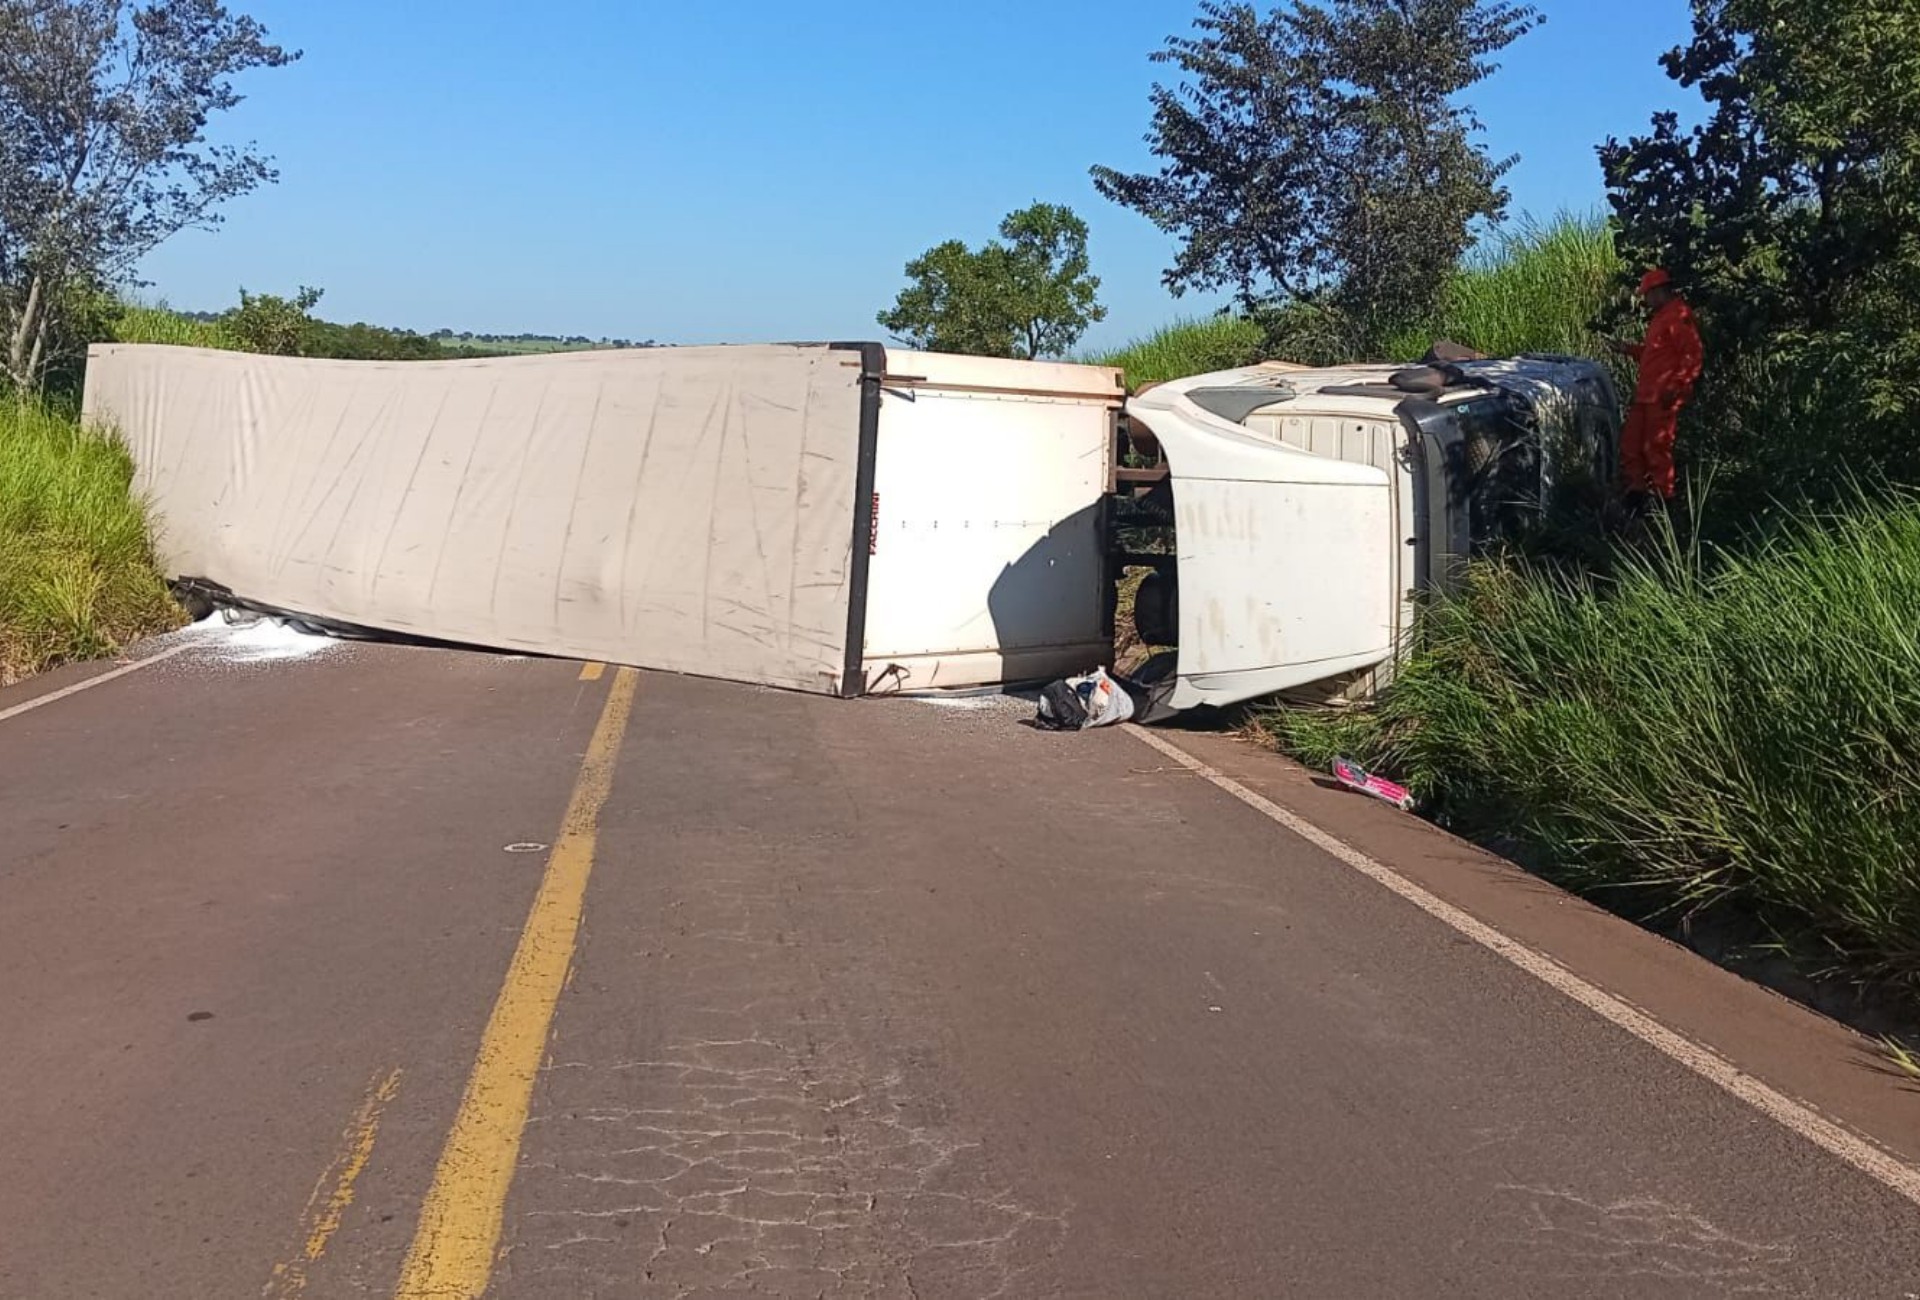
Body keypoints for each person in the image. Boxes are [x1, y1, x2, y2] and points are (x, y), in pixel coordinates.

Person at [1606, 268, 1703, 504]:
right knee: (1631, 445)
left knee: (1657, 447)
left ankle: (1663, 500)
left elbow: (1693, 355)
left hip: (1663, 395)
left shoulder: (1678, 315)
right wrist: (1628, 349)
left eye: (1647, 294)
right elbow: (1655, 355)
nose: (1645, 300)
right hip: (1646, 395)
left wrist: (1677, 386)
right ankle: (1636, 494)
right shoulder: (1661, 317)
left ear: (1659, 291)